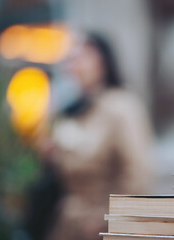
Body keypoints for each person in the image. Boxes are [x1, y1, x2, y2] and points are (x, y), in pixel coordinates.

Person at [37, 32, 154, 240]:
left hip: (102, 226)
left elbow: (137, 175)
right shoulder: (73, 111)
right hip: (68, 223)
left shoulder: (121, 106)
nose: (73, 67)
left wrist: (106, 220)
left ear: (101, 60)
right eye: (70, 61)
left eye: (80, 58)